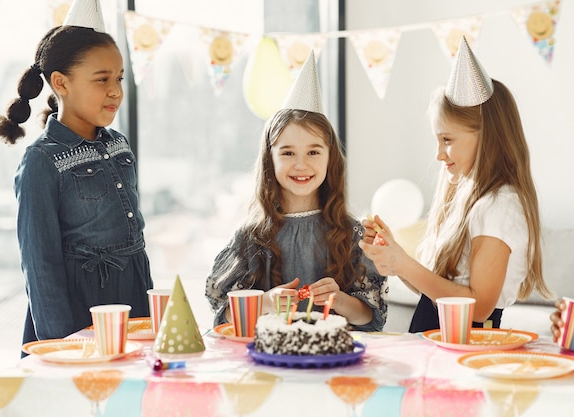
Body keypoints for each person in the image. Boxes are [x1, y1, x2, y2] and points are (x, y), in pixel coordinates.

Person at [0, 0, 152, 352]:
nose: (116, 91)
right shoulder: (41, 161)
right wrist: (61, 347)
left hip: (134, 305)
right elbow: (40, 266)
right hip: (80, 317)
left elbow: (135, 245)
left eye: (119, 78)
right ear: (61, 83)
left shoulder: (120, 146)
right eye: (102, 79)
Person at [359, 37, 552, 333]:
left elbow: (479, 306)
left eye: (447, 140)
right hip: (437, 336)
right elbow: (436, 293)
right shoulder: (471, 200)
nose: (438, 154)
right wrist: (397, 259)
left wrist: (404, 264)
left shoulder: (500, 205)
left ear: (488, 136)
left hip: (466, 342)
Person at [205, 52, 388, 332]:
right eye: (288, 152)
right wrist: (265, 302)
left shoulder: (351, 233)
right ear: (270, 160)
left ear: (330, 159)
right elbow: (223, 314)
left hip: (334, 362)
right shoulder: (252, 237)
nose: (301, 164)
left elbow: (370, 317)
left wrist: (339, 300)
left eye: (313, 152)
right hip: (268, 362)